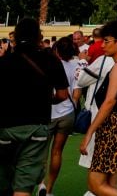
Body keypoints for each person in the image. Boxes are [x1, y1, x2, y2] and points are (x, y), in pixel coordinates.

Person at [0, 19, 69, 196]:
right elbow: (62, 95)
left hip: (6, 127)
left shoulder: (5, 61)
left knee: (5, 180)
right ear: (39, 36)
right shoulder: (51, 60)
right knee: (24, 184)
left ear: (15, 36)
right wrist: (47, 100)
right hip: (37, 126)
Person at [79, 21, 117, 196]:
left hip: (115, 124)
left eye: (107, 41)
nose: (102, 45)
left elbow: (109, 102)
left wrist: (90, 132)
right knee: (110, 181)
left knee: (95, 183)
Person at [42, 36, 80, 196]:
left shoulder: (48, 64)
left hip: (49, 112)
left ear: (56, 49)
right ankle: (49, 189)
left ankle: (41, 184)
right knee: (57, 152)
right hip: (67, 113)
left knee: (41, 152)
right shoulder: (77, 65)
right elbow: (77, 93)